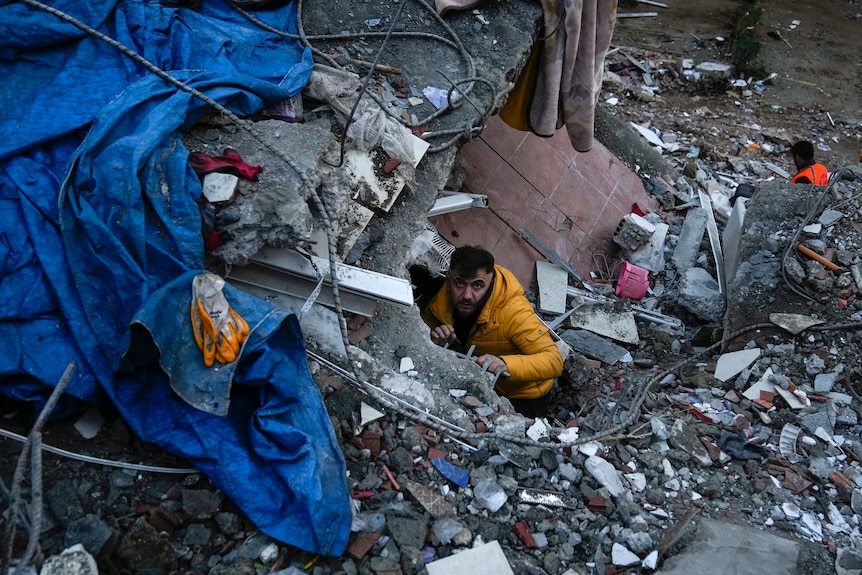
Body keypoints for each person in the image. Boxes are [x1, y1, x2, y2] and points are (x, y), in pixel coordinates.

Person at [421, 245, 563, 418]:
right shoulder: (442, 302)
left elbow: (554, 360)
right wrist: (436, 343)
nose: (466, 295)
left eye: (477, 286)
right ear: (449, 278)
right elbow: (420, 334)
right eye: (459, 283)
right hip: (477, 382)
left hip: (522, 395)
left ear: (491, 282)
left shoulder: (514, 312)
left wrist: (505, 364)